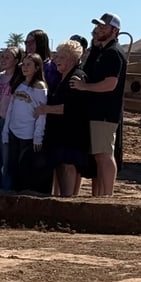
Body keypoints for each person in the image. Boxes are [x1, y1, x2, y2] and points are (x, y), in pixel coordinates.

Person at [71, 12, 127, 196]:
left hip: (105, 113)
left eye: (103, 27)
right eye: (98, 26)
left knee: (104, 154)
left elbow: (111, 83)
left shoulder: (113, 53)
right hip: (96, 111)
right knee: (99, 155)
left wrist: (84, 87)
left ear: (115, 31)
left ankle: (108, 195)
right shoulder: (101, 51)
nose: (98, 30)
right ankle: (102, 195)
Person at [35, 39, 89, 196]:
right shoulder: (62, 78)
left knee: (68, 165)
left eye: (61, 57)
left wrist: (46, 109)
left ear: (72, 59)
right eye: (57, 57)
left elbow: (72, 108)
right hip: (59, 133)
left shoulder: (76, 78)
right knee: (60, 165)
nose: (57, 61)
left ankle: (68, 201)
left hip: (70, 134)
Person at [2, 53, 49, 193]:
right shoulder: (19, 83)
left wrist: (38, 135)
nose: (25, 67)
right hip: (13, 132)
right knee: (13, 168)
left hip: (28, 135)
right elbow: (10, 108)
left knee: (26, 169)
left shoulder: (39, 86)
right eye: (24, 64)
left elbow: (41, 113)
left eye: (29, 64)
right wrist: (6, 130)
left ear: (37, 67)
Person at [0, 45, 24, 189]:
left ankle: (7, 190)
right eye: (3, 56)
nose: (4, 59)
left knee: (7, 160)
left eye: (8, 57)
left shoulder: (20, 80)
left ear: (16, 60)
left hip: (9, 124)